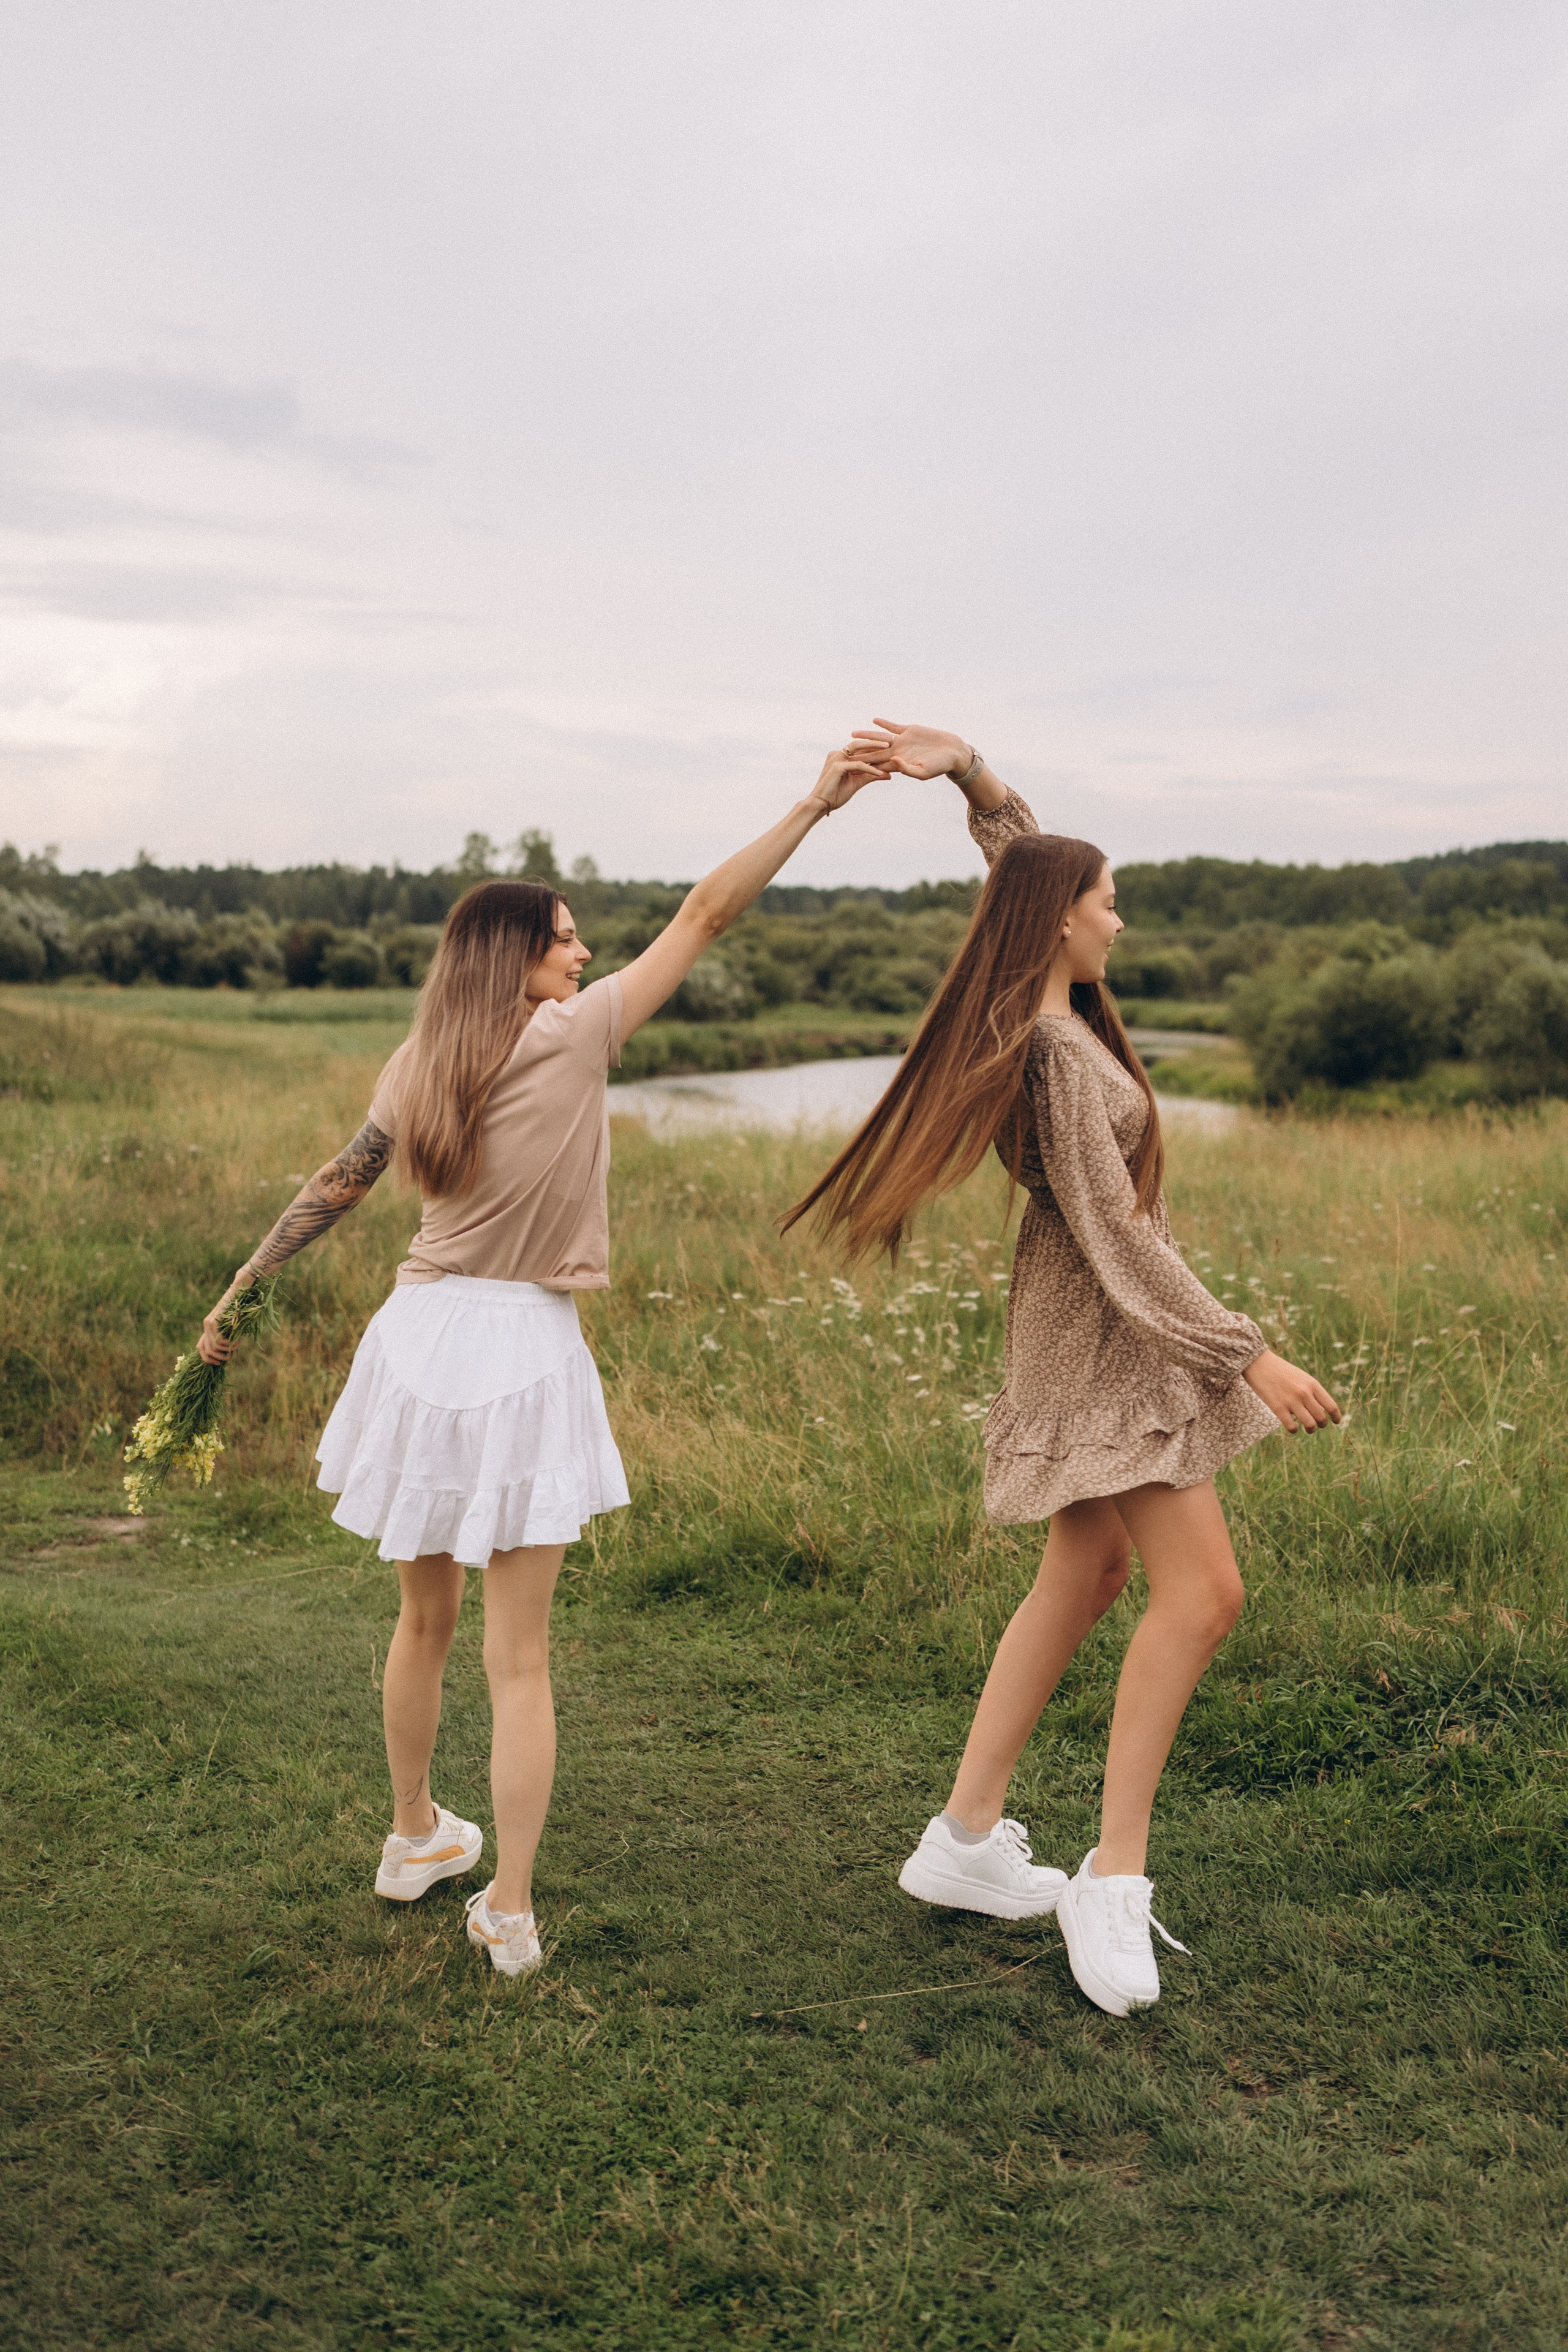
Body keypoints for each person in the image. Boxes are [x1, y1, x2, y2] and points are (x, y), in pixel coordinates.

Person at [198, 745, 881, 1978]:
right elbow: (707, 914)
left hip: (414, 1341)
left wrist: (239, 1293)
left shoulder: (418, 1066)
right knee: (518, 1660)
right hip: (516, 1346)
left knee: (422, 1623)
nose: (581, 954)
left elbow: (337, 1186)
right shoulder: (573, 1038)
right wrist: (811, 805)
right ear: (518, 960)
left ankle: (415, 1836)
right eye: (565, 939)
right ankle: (504, 1907)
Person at [785, 720, 1340, 2018]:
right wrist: (1245, 1356)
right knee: (1199, 1596)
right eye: (1108, 902)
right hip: (1103, 1337)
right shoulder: (1045, 1054)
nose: (1119, 923)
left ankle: (965, 1841)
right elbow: (1111, 1235)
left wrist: (969, 770)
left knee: (1089, 1570)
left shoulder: (1054, 1012)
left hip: (1084, 1327)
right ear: (1060, 924)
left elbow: (1020, 855)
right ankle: (1112, 1875)